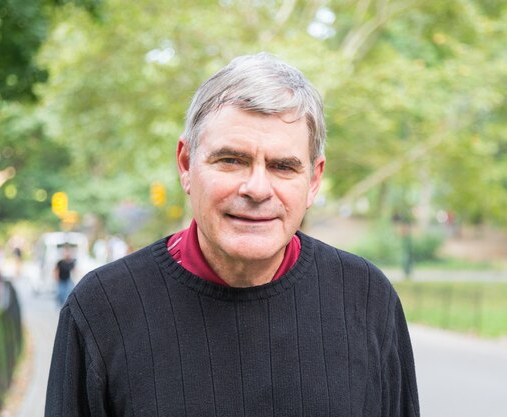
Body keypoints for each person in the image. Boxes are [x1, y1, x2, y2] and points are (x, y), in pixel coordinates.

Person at [45, 52, 419, 416]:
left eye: (283, 166)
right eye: (231, 160)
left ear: (314, 179)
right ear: (186, 164)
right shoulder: (102, 309)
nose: (257, 189)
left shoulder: (367, 299)